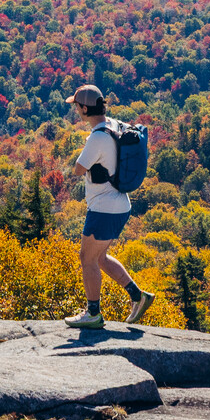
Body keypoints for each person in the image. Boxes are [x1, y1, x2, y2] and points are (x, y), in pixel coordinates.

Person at [61, 83, 156, 329]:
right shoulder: (114, 125)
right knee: (99, 257)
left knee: (87, 258)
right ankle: (139, 296)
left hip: (103, 208)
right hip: (120, 205)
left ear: (83, 108)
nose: (76, 112)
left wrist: (88, 152)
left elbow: (78, 169)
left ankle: (93, 313)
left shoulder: (98, 137)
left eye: (76, 107)